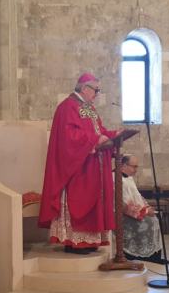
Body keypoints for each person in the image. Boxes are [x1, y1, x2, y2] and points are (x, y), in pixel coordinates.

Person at [38, 72, 120, 254]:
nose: (97, 94)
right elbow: (69, 137)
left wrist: (115, 135)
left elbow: (100, 131)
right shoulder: (67, 107)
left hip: (92, 165)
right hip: (77, 168)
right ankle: (73, 241)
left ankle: (88, 242)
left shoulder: (89, 109)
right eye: (96, 90)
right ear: (84, 88)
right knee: (78, 201)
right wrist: (95, 139)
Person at [118, 155, 165, 264]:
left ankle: (154, 256)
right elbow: (123, 204)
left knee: (154, 219)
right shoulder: (115, 178)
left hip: (134, 213)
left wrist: (147, 207)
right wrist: (146, 212)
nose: (136, 170)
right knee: (149, 222)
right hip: (123, 216)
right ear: (124, 165)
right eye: (134, 167)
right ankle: (142, 255)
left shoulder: (129, 178)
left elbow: (138, 196)